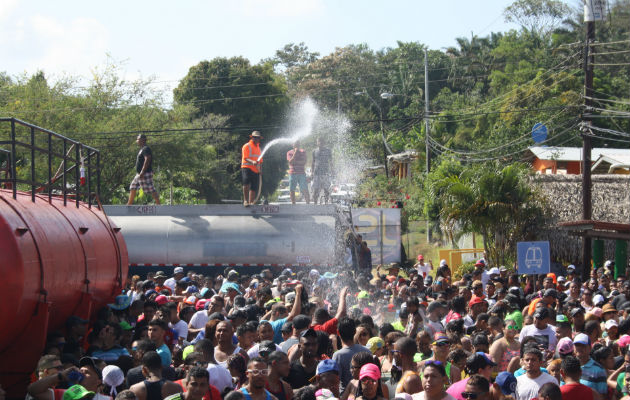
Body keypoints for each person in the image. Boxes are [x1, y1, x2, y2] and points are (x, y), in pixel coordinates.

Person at [332, 317, 371, 394]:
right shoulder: (367, 351)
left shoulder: (338, 355)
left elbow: (335, 381)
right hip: (366, 394)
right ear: (355, 332)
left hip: (346, 395)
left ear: (338, 333)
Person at [127, 134, 160, 205]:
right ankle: (129, 205)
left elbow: (147, 159)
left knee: (151, 189)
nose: (137, 141)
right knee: (133, 186)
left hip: (145, 173)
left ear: (142, 140)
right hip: (139, 174)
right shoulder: (141, 149)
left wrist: (142, 171)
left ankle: (159, 205)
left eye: (138, 139)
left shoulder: (146, 148)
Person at [241, 131, 264, 207]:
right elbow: (245, 157)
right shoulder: (246, 146)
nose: (257, 139)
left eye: (258, 138)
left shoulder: (259, 148)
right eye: (255, 137)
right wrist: (252, 162)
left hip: (256, 170)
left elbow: (260, 161)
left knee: (254, 186)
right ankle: (245, 201)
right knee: (246, 183)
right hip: (247, 168)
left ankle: (251, 203)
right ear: (252, 137)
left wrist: (261, 170)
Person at [286, 139, 310, 204]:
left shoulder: (303, 152)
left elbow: (304, 162)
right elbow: (290, 162)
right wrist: (295, 153)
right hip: (292, 173)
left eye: (298, 144)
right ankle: (293, 204)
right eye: (296, 144)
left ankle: (308, 204)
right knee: (292, 190)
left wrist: (295, 162)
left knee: (305, 189)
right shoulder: (289, 152)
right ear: (292, 145)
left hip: (301, 173)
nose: (297, 145)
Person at [311, 137, 333, 205]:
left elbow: (331, 161)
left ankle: (326, 202)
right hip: (316, 172)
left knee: (326, 189)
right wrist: (312, 172)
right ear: (317, 143)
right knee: (316, 189)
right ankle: (315, 203)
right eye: (318, 142)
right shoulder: (314, 151)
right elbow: (313, 162)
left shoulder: (328, 150)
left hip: (326, 172)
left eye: (321, 142)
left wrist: (332, 170)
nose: (320, 143)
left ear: (324, 143)